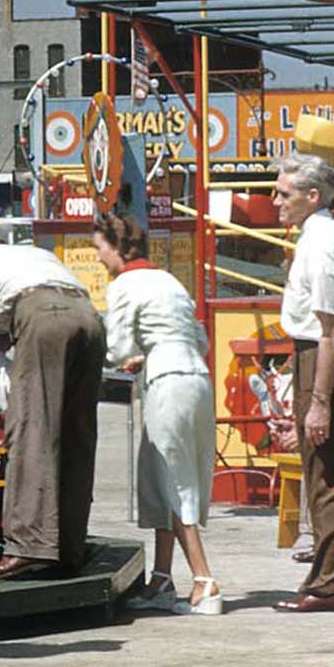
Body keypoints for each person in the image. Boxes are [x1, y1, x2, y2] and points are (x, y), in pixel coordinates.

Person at [0, 219, 105, 579]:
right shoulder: (32, 256)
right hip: (89, 319)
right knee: (76, 434)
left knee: (33, 429)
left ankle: (27, 546)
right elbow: (0, 337)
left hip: (43, 318)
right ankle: (68, 545)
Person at [93, 213, 220, 615]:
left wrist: (130, 355)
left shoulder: (124, 285)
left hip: (166, 384)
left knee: (171, 477)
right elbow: (199, 339)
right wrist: (150, 352)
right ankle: (162, 578)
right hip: (195, 379)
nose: (98, 258)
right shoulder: (170, 281)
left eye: (100, 248)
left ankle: (205, 581)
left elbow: (114, 349)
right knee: (163, 474)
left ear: (117, 248)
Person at [271, 153, 334, 613]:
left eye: (283, 193)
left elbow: (330, 333)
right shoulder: (322, 236)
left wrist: (319, 403)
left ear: (313, 196)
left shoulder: (322, 243)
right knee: (329, 468)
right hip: (317, 357)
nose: (275, 201)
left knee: (326, 473)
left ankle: (331, 582)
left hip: (323, 360)